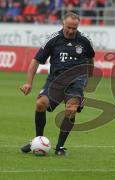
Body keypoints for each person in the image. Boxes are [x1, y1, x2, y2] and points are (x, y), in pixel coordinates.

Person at [20, 12, 95, 156]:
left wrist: (88, 77)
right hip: (55, 80)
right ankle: (38, 140)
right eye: (69, 27)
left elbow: (91, 59)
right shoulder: (53, 40)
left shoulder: (85, 40)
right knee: (40, 104)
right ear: (63, 24)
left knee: (71, 109)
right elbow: (36, 61)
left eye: (74, 28)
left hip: (76, 80)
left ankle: (60, 147)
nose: (71, 31)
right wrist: (28, 83)